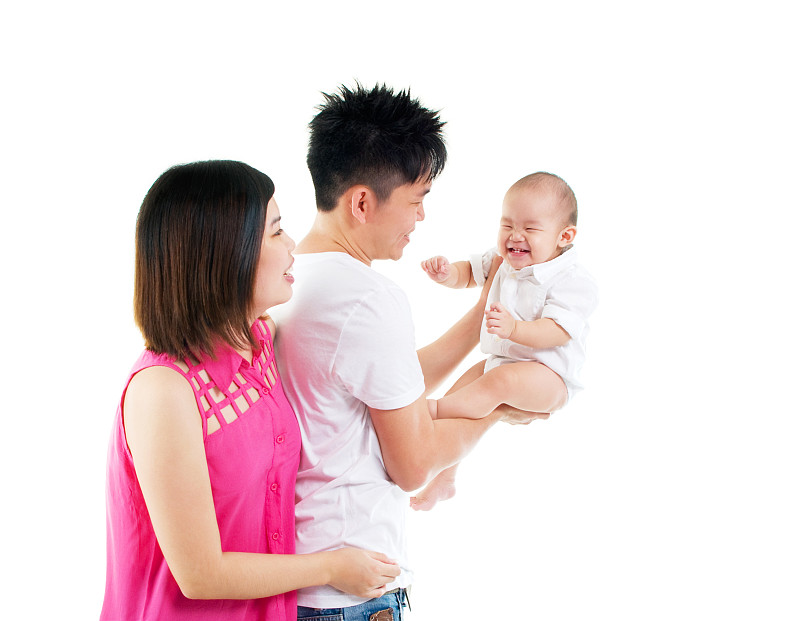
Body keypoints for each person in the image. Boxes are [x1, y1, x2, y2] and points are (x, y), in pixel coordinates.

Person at [272, 84, 545, 621]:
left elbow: (383, 382)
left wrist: (480, 317)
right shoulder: (369, 298)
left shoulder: (291, 277)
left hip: (304, 581)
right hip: (350, 597)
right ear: (362, 202)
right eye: (416, 200)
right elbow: (414, 465)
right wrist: (497, 407)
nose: (421, 217)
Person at [101, 160, 400, 621]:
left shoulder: (260, 342)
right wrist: (330, 567)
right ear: (225, 254)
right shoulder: (163, 391)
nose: (292, 244)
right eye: (276, 231)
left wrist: (484, 361)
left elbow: (384, 382)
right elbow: (200, 574)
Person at [413, 171, 599, 510]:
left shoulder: (572, 280)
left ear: (564, 236)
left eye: (530, 228)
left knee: (495, 384)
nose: (515, 236)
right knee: (464, 391)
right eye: (507, 224)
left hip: (550, 376)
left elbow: (556, 331)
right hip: (503, 363)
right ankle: (444, 479)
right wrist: (448, 274)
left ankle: (433, 409)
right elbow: (470, 273)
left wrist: (514, 329)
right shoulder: (504, 262)